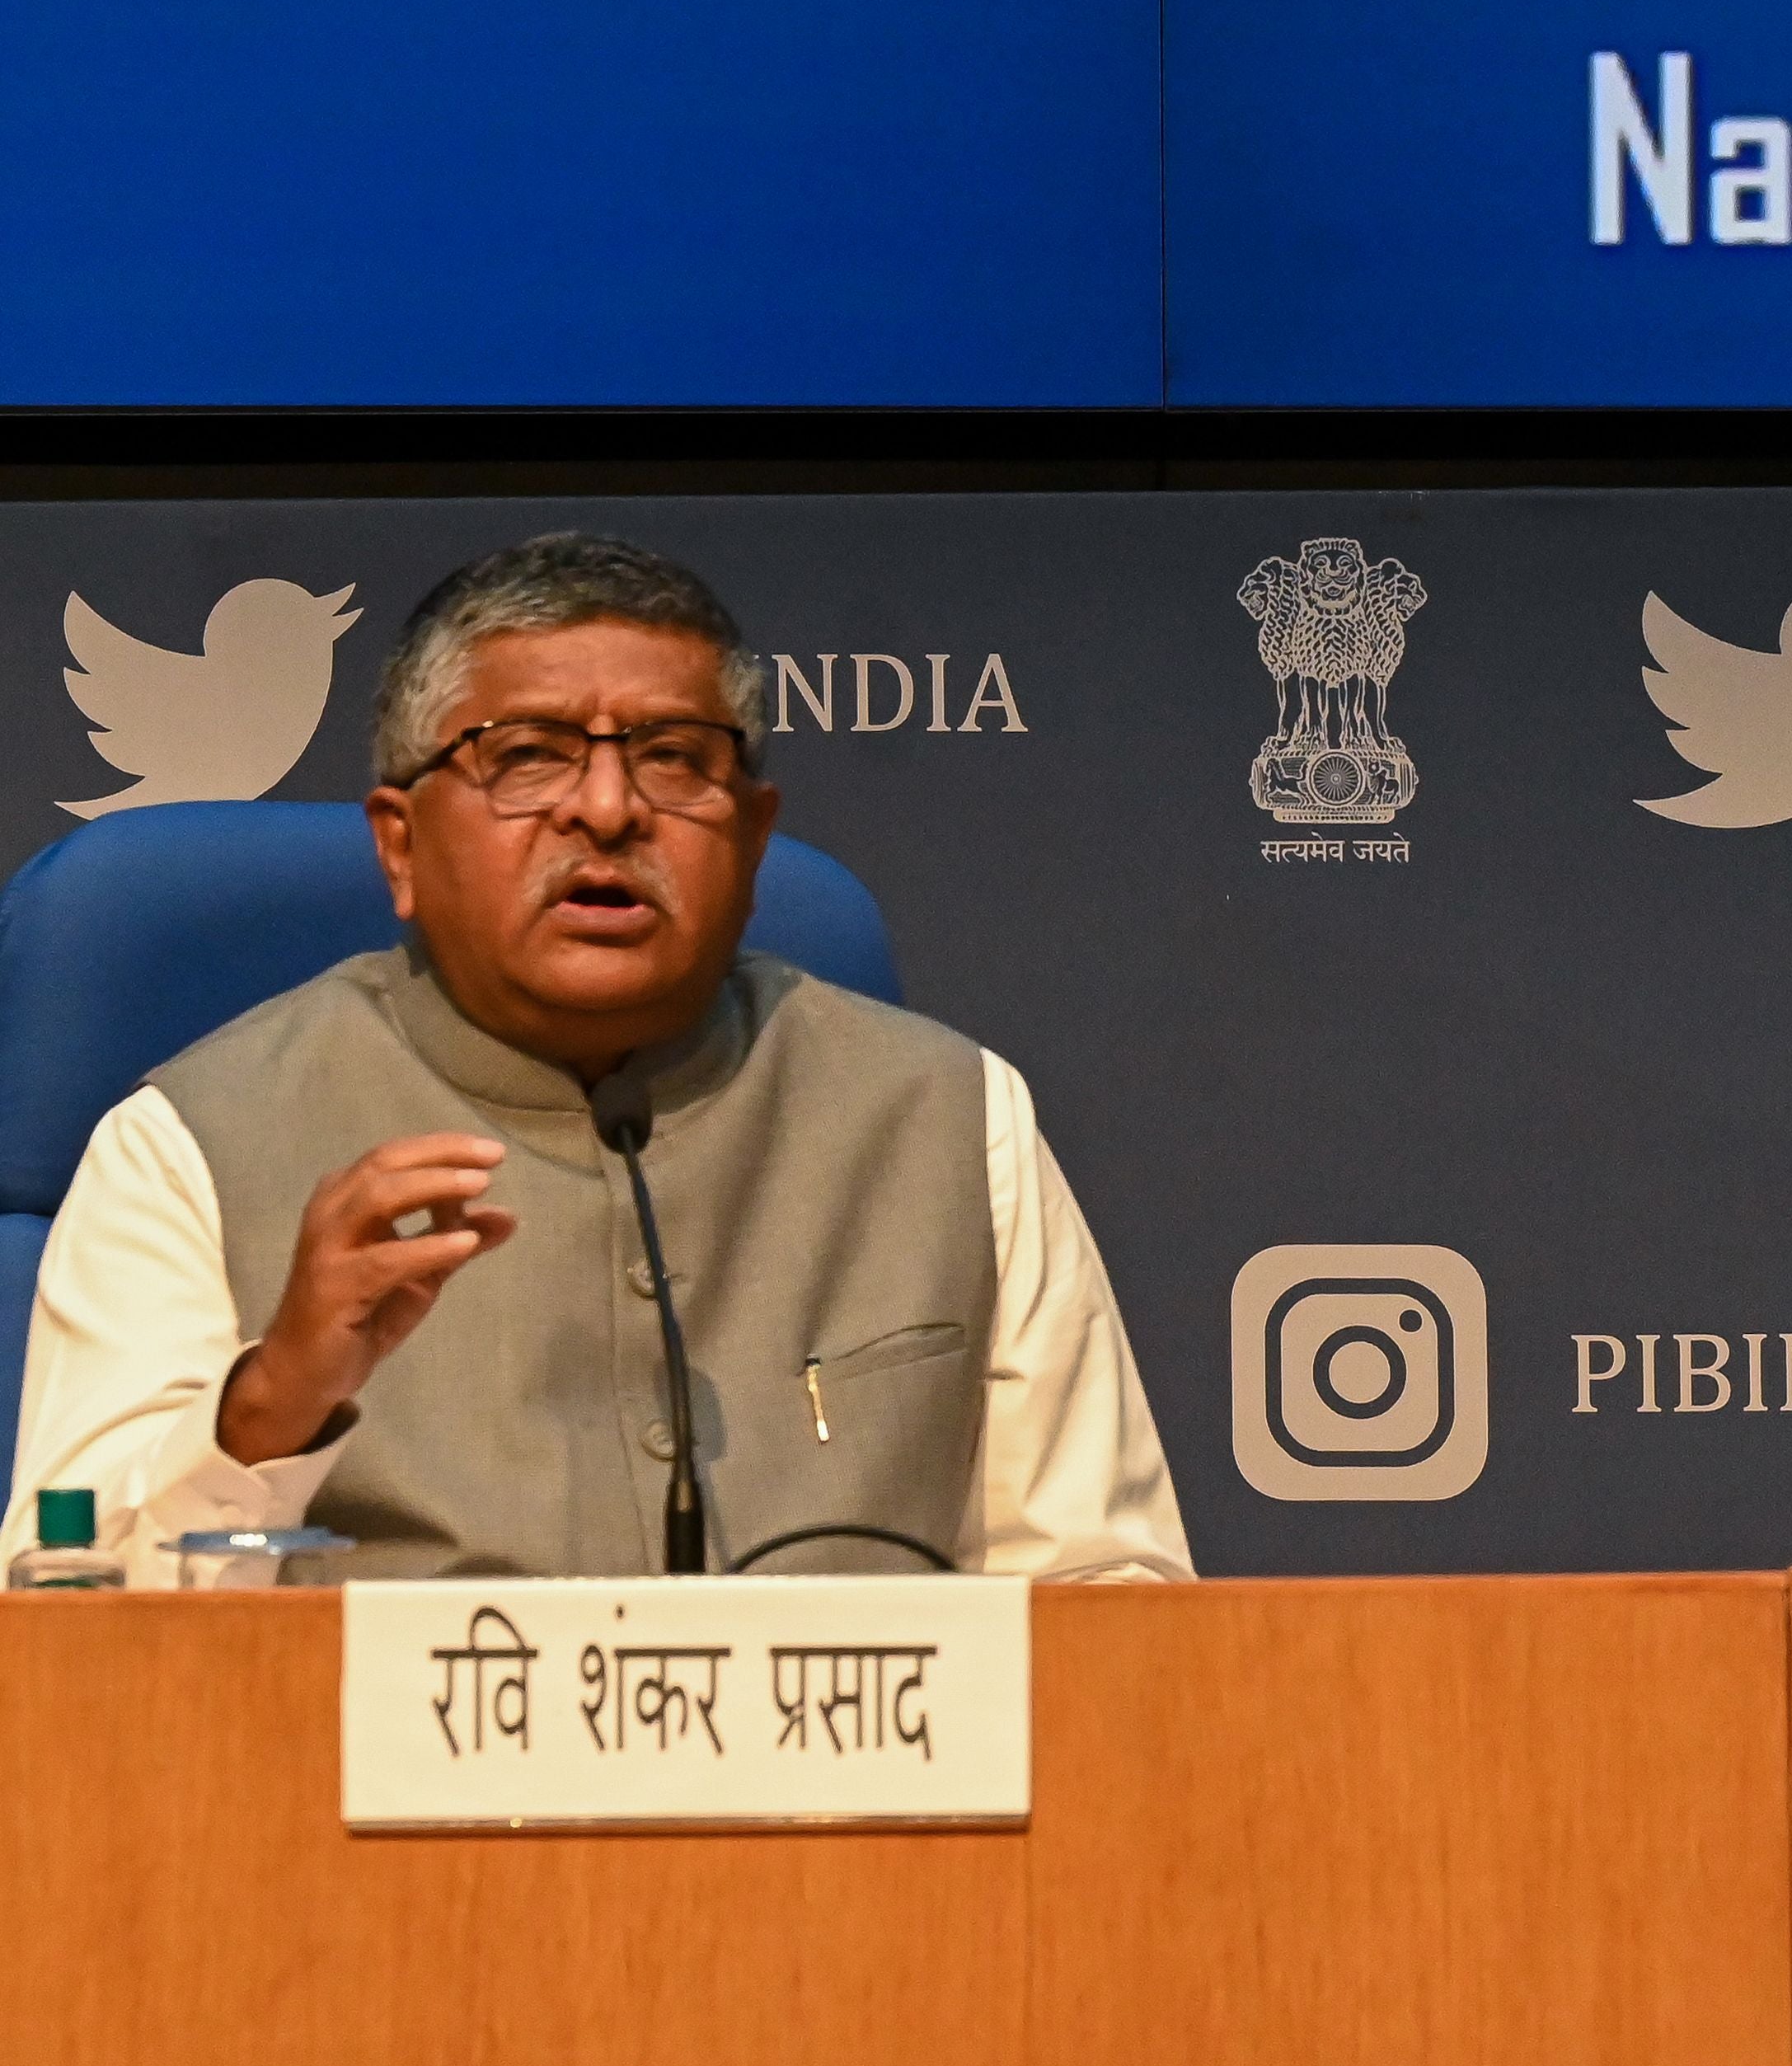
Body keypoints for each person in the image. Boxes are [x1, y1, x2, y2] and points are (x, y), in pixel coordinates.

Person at [6, 533, 1189, 1583]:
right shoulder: (189, 1146)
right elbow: (73, 1641)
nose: (612, 808)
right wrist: (270, 1408)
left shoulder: (948, 1119)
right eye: (527, 755)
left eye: (676, 757)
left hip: (851, 1823)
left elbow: (1105, 1599)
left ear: (755, 831)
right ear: (401, 846)